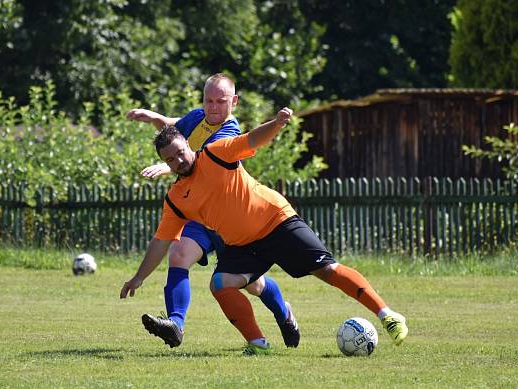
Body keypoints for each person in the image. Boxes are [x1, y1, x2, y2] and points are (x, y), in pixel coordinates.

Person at [120, 107, 408, 355]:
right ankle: (258, 344)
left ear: (188, 147)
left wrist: (276, 123)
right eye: (170, 159)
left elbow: (251, 140)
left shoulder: (216, 153)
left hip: (277, 222)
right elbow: (161, 241)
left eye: (180, 153)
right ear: (166, 163)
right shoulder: (176, 197)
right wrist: (138, 278)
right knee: (220, 284)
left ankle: (387, 315)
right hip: (243, 245)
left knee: (327, 271)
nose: (178, 161)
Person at [125, 73, 299, 349]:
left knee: (253, 284)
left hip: (230, 215)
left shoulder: (230, 130)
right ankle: (175, 324)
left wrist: (168, 166)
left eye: (221, 101)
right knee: (179, 254)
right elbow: (173, 130)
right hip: (198, 211)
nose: (214, 107)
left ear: (234, 103)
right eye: (209, 100)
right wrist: (153, 116)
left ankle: (283, 312)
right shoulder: (198, 116)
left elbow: (196, 160)